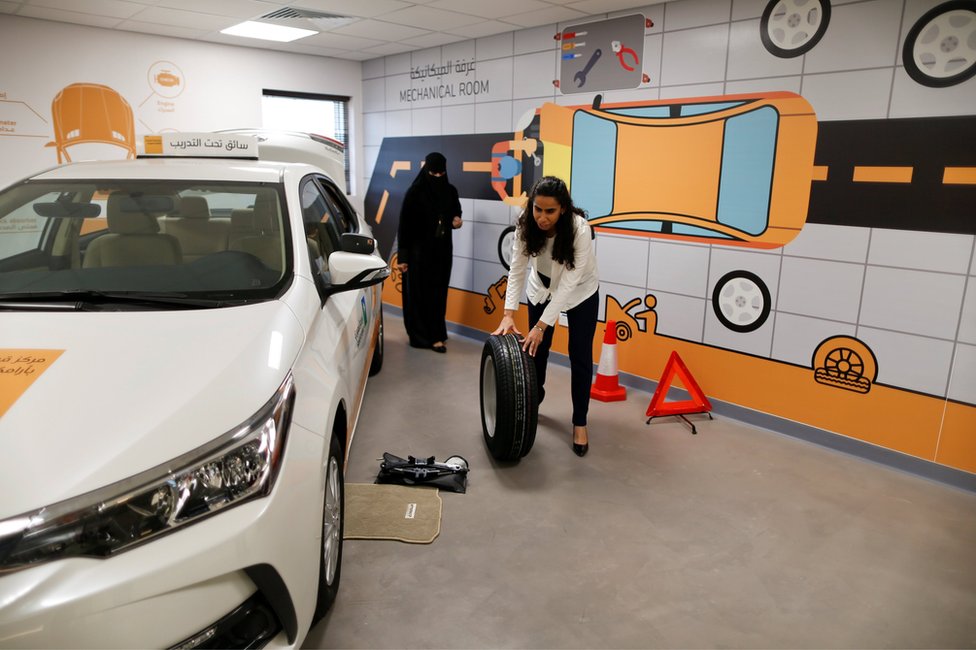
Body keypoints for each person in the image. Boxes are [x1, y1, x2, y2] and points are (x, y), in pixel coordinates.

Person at [491, 176, 600, 457]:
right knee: (535, 352)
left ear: (563, 208)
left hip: (580, 293)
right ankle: (532, 401)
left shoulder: (579, 230)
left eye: (549, 211)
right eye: (538, 209)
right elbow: (516, 270)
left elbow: (568, 285)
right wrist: (508, 314)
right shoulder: (525, 224)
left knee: (580, 355)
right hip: (541, 288)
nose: (542, 217)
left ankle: (580, 421)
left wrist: (541, 325)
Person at [397, 152, 463, 353]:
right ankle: (419, 336)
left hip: (442, 252)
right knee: (418, 294)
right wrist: (403, 257)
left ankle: (436, 334)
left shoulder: (450, 190)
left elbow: (456, 212)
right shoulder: (415, 193)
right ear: (426, 171)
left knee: (438, 293)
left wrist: (457, 220)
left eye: (440, 173)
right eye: (433, 173)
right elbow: (404, 226)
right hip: (418, 254)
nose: (436, 177)